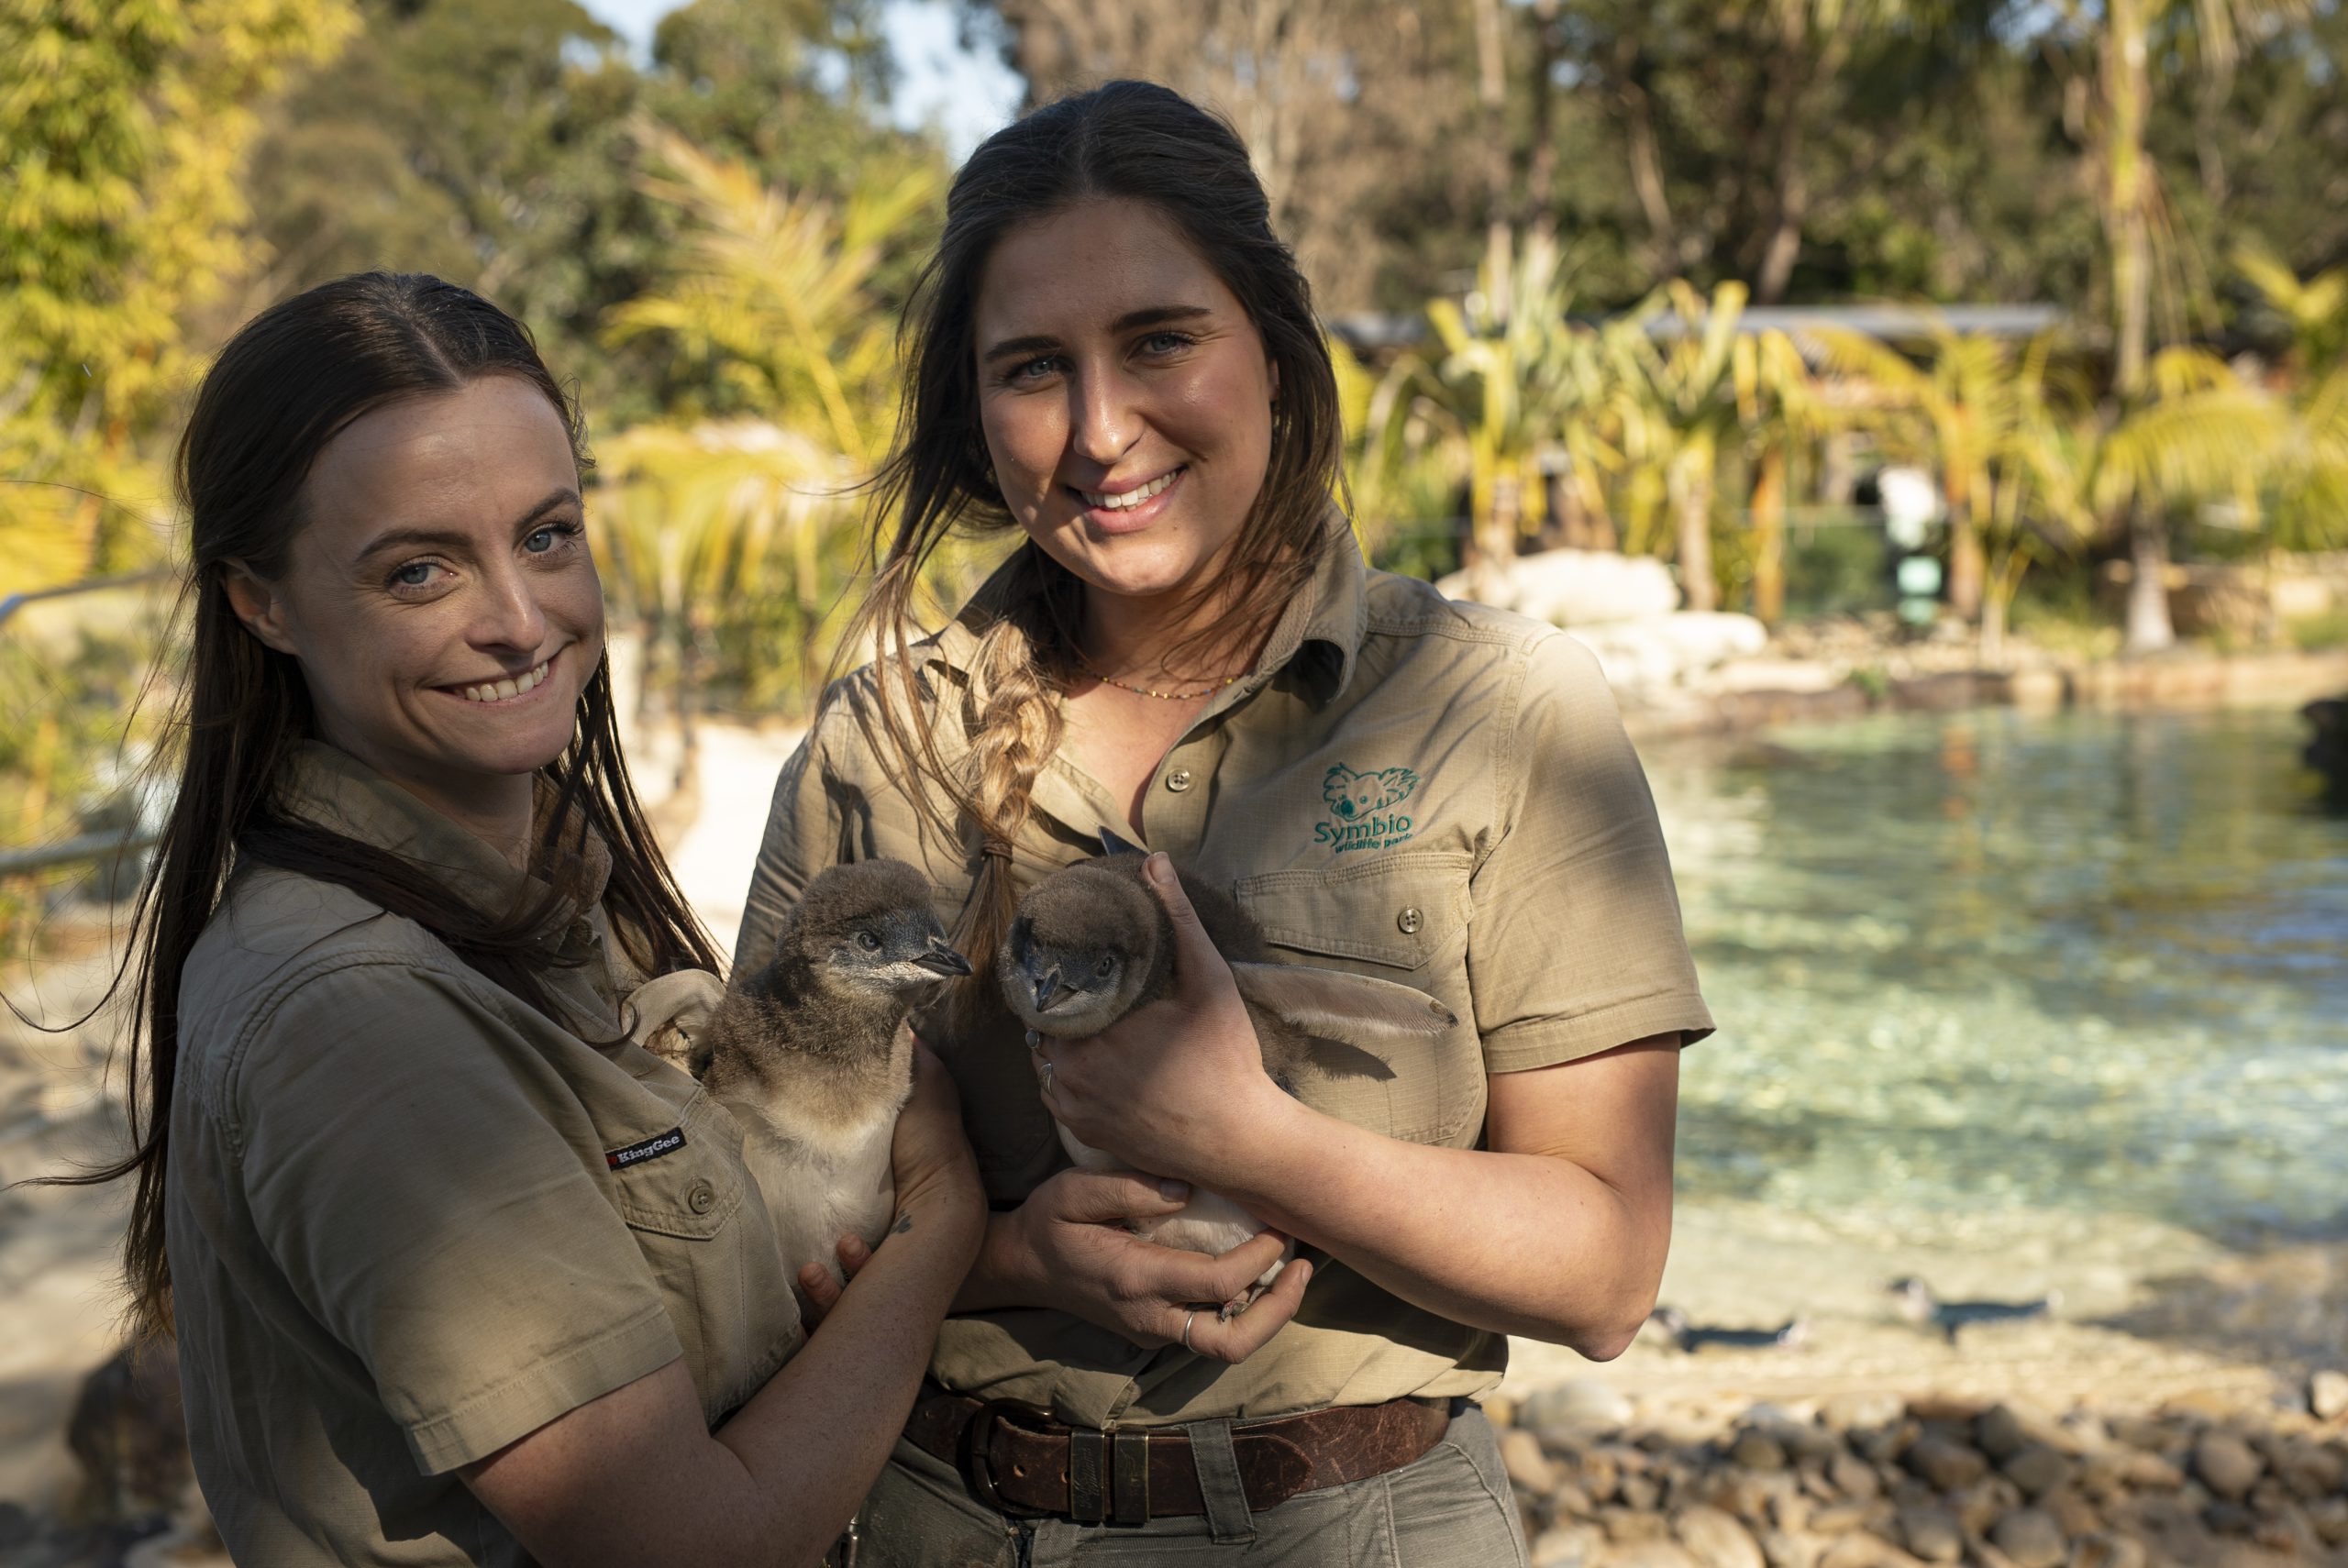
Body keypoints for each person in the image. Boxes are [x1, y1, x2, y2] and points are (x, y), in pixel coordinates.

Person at [737, 81, 1715, 1565]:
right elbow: (752, 1217)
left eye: (1159, 340)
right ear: (971, 407)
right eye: (1030, 367)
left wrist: (1250, 1139)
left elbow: (1605, 1271)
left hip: (1373, 1521)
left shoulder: (1505, 710)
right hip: (947, 1516)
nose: (1100, 430)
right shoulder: (882, 741)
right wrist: (1001, 1258)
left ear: (1270, 340)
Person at [87, 271, 984, 1566]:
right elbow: (691, 1544)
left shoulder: (541, 894)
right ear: (261, 600)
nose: (519, 618)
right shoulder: (354, 1019)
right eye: (419, 569)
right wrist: (944, 1223)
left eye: (548, 534)